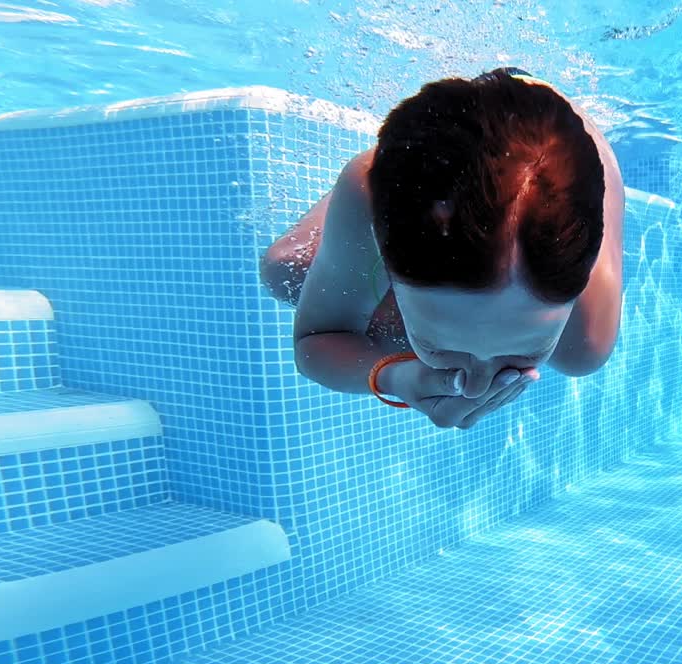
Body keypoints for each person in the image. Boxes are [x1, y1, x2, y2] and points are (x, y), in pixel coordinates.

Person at [260, 68, 625, 429]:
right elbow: (315, 339)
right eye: (435, 345)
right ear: (384, 255)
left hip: (559, 145)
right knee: (284, 269)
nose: (476, 384)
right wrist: (395, 376)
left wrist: (404, 366)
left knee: (579, 356)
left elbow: (322, 339)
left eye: (525, 353)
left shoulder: (587, 337)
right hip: (457, 145)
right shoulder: (366, 187)